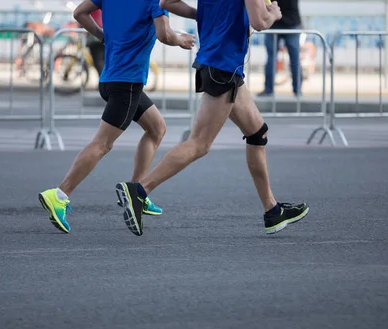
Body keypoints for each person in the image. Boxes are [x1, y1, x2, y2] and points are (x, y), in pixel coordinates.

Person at [115, 0, 309, 237]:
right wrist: (274, 14)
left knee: (258, 133)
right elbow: (259, 22)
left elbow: (167, 2)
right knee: (199, 144)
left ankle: (272, 211)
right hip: (223, 66)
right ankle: (140, 190)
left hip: (219, 64)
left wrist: (203, 15)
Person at [38, 0, 195, 233]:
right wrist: (180, 39)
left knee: (157, 128)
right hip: (127, 84)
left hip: (110, 79)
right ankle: (60, 194)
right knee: (102, 144)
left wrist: (102, 35)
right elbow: (164, 35)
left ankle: (137, 190)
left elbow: (80, 13)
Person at [258, 0, 302, 98]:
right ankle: (297, 91)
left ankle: (269, 90)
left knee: (272, 58)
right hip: (289, 22)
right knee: (294, 59)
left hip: (274, 22)